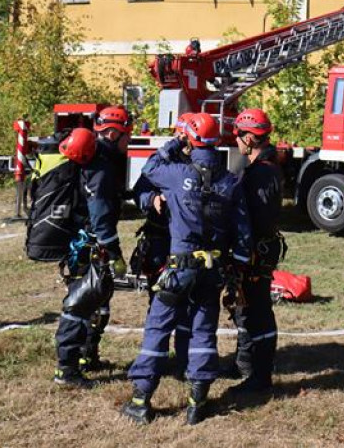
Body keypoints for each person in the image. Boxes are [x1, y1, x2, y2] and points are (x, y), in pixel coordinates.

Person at [122, 113, 251, 425]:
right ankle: (197, 402)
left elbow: (149, 167)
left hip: (179, 269)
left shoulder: (176, 173)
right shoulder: (230, 182)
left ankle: (141, 400)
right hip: (212, 271)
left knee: (158, 327)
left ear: (190, 139)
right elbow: (243, 232)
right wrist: (240, 267)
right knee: (203, 331)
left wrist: (173, 143)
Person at [53, 105, 131, 388]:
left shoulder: (101, 159)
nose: (128, 141)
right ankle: (67, 370)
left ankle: (87, 356)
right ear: (112, 132)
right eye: (126, 135)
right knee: (80, 304)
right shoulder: (99, 167)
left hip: (85, 243)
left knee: (98, 305)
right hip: (87, 246)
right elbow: (100, 215)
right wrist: (115, 253)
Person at [129, 112, 194, 378]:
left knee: (188, 306)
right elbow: (139, 190)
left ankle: (184, 360)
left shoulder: (199, 163)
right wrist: (152, 199)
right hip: (160, 243)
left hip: (187, 245)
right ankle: (159, 358)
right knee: (160, 301)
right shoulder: (163, 162)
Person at [229, 108, 285, 397]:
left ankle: (260, 376)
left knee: (257, 312)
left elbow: (257, 219)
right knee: (245, 309)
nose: (236, 140)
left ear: (249, 138)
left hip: (256, 253)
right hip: (257, 250)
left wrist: (244, 251)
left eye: (238, 135)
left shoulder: (260, 174)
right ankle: (245, 364)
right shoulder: (260, 168)